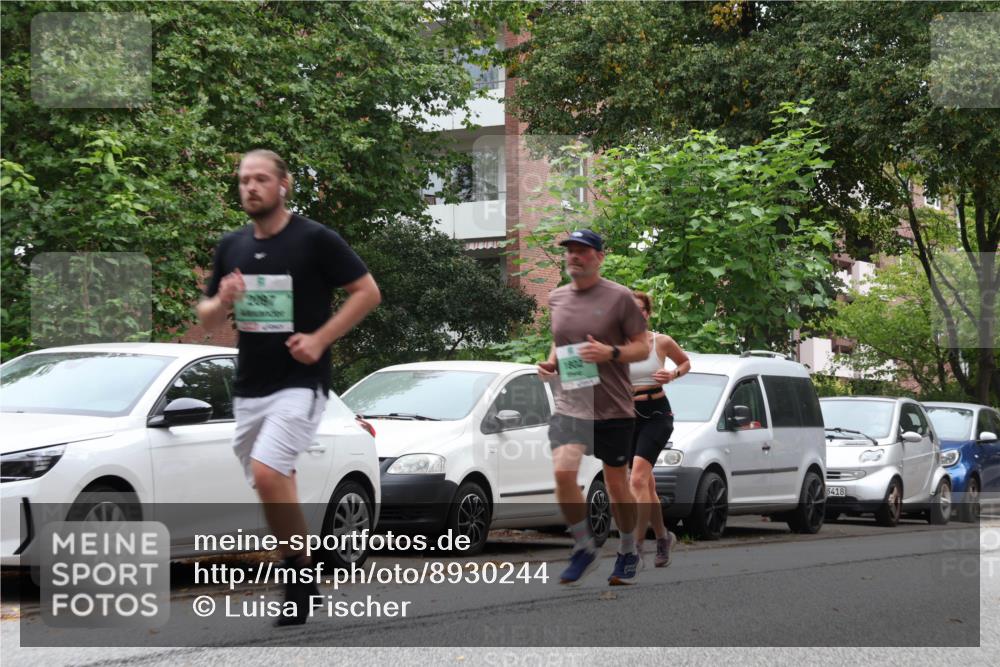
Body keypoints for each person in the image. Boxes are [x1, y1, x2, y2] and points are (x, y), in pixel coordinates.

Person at [197, 149, 381, 625]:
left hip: (302, 382)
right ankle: (304, 575)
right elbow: (206, 316)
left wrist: (320, 338)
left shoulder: (315, 239)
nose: (250, 188)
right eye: (243, 180)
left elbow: (367, 292)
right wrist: (225, 298)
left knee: (266, 472)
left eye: (260, 179)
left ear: (284, 185)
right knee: (275, 483)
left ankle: (295, 579)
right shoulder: (231, 245)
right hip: (249, 385)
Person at [537, 229, 651, 585]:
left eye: (582, 251)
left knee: (617, 486)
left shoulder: (620, 298)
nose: (574, 256)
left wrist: (610, 353)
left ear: (599, 257)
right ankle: (584, 546)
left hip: (613, 406)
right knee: (562, 474)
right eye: (570, 251)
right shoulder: (556, 298)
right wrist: (551, 362)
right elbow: (560, 342)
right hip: (572, 402)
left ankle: (629, 549)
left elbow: (642, 348)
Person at [628, 290, 690, 567]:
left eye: (641, 309)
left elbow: (685, 362)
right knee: (648, 486)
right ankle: (663, 537)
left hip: (657, 414)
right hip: (628, 416)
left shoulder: (660, 342)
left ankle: (636, 547)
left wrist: (673, 374)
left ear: (647, 313)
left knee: (638, 480)